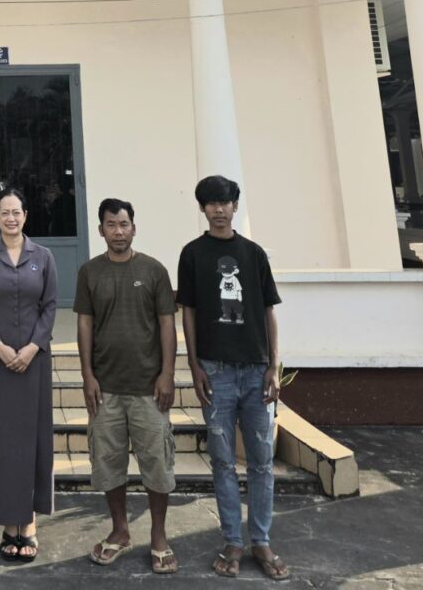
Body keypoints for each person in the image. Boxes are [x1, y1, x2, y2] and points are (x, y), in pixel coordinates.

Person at [176, 175, 289, 581]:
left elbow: (269, 311)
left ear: (235, 206)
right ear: (202, 208)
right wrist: (194, 365)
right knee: (223, 463)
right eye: (211, 203)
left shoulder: (254, 254)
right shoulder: (192, 254)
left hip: (256, 371)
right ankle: (232, 542)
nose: (219, 209)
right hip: (216, 372)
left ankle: (261, 540)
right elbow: (187, 311)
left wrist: (273, 365)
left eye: (225, 202)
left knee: (261, 462)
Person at [75, 197, 179, 573]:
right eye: (111, 225)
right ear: (100, 230)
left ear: (134, 228)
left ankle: (159, 536)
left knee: (157, 464)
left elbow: (167, 323)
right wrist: (87, 375)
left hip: (149, 388)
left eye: (124, 224)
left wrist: (167, 374)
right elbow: (84, 324)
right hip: (106, 389)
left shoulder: (154, 270)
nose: (118, 232)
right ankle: (120, 531)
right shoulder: (90, 272)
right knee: (108, 463)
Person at [0, 188, 57, 562]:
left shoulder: (44, 257)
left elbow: (50, 306)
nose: (11, 218)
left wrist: (33, 347)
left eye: (16, 212)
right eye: (4, 212)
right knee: (2, 440)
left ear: (25, 216)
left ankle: (29, 522)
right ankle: (9, 522)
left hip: (34, 362)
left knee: (34, 438)